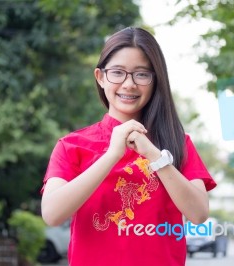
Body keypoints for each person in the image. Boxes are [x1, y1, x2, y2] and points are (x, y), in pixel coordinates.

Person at [40, 27, 216, 266]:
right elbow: (52, 214)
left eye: (141, 74)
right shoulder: (72, 146)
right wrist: (112, 154)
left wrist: (153, 154)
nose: (129, 84)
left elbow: (198, 214)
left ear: (155, 80)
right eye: (117, 73)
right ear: (100, 77)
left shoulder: (178, 142)